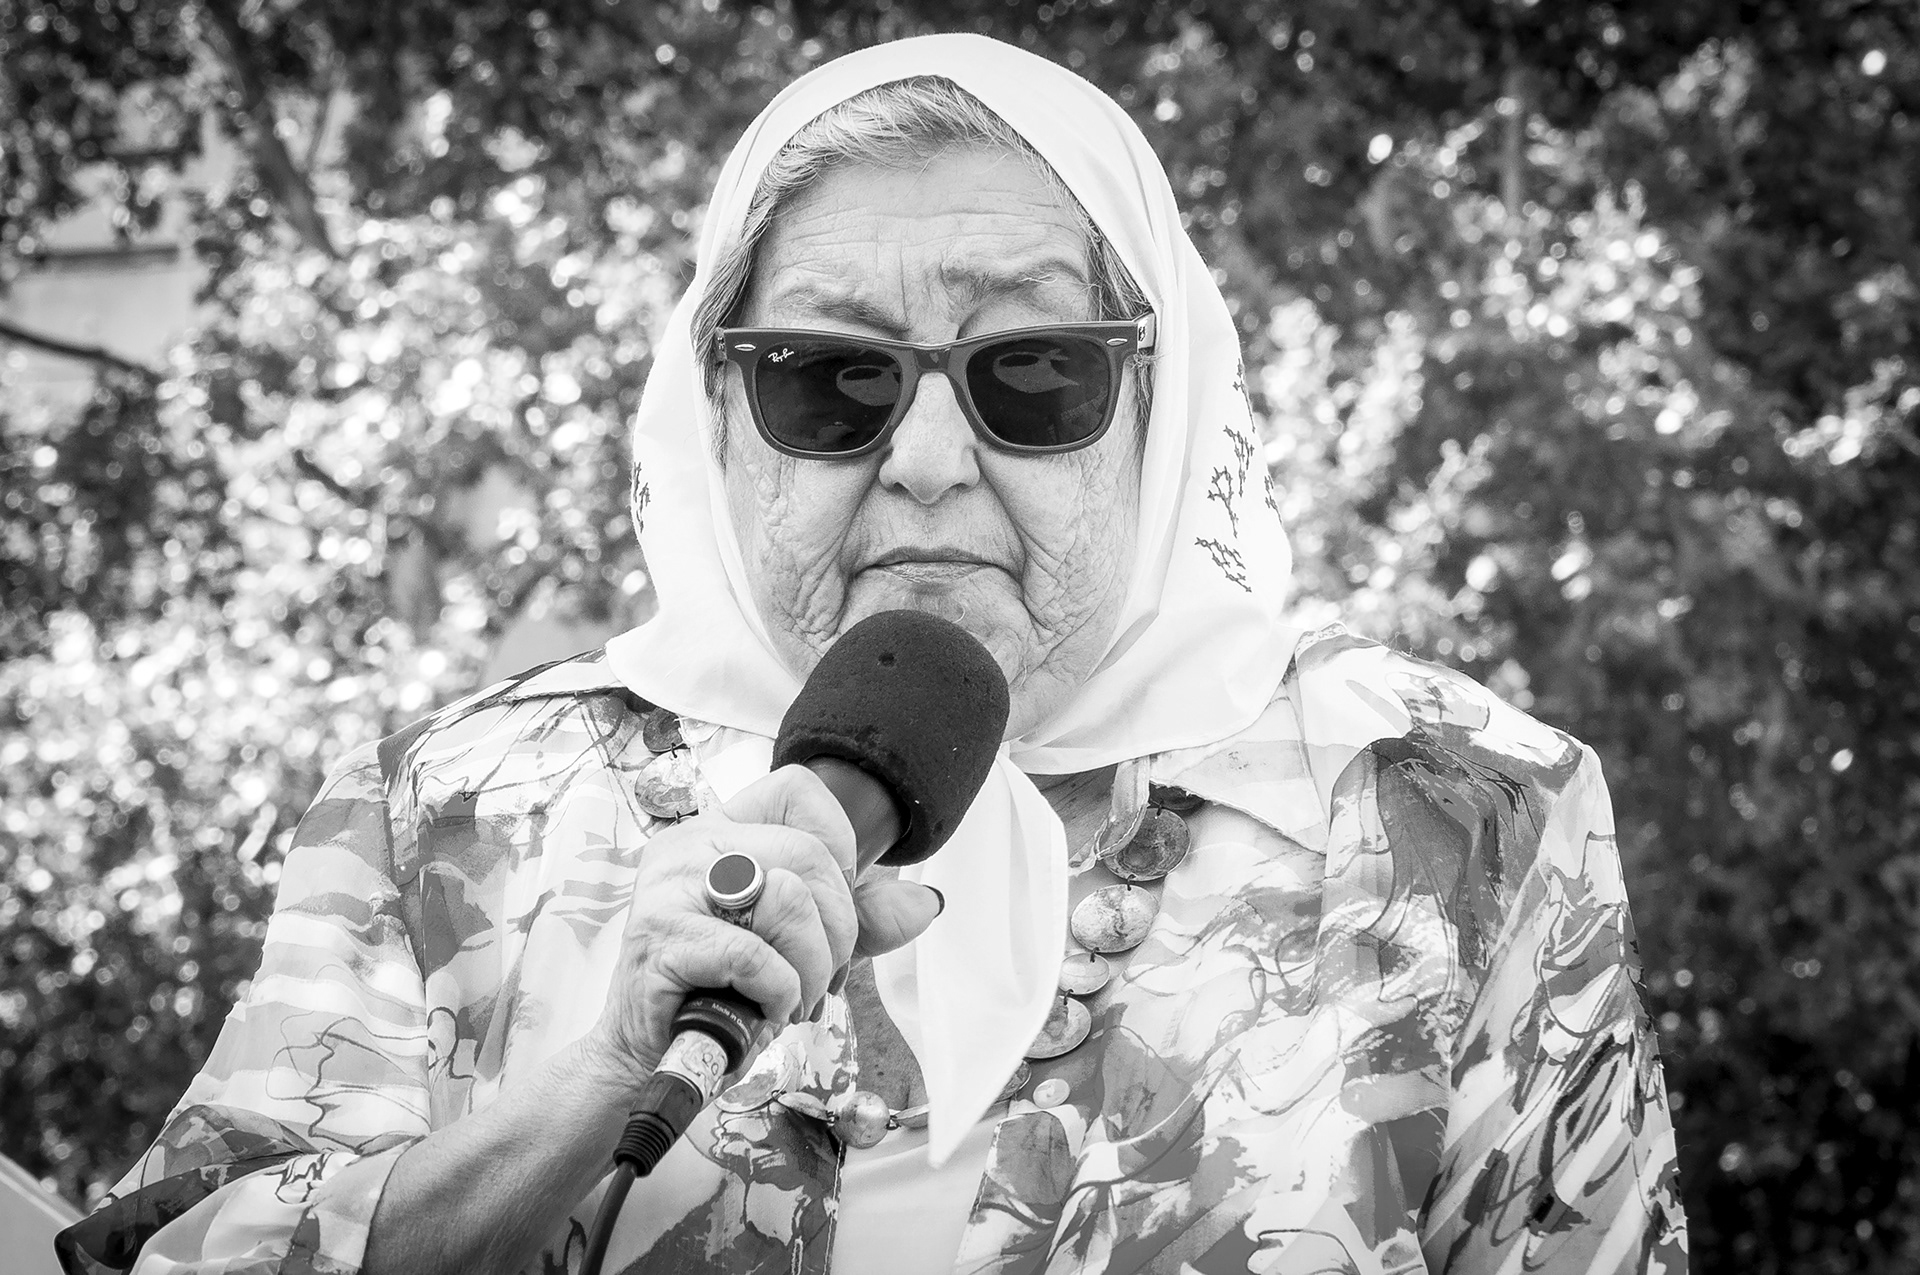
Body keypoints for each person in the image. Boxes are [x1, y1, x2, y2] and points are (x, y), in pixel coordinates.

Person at [57, 34, 1687, 1275]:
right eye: (828, 382)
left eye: (1030, 373)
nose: (919, 459)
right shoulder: (450, 813)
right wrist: (594, 1080)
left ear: (1161, 403)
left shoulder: (1464, 815)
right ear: (716, 418)